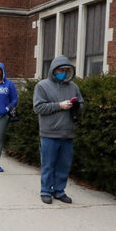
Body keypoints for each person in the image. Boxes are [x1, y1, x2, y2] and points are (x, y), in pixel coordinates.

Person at [33, 55, 84, 203]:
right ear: (53, 70)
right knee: (48, 164)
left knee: (64, 165)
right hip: (49, 133)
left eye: (66, 70)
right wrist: (59, 105)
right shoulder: (42, 86)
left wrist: (77, 106)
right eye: (60, 70)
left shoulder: (73, 87)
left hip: (67, 133)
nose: (63, 72)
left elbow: (81, 104)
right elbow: (38, 107)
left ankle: (59, 191)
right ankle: (45, 191)